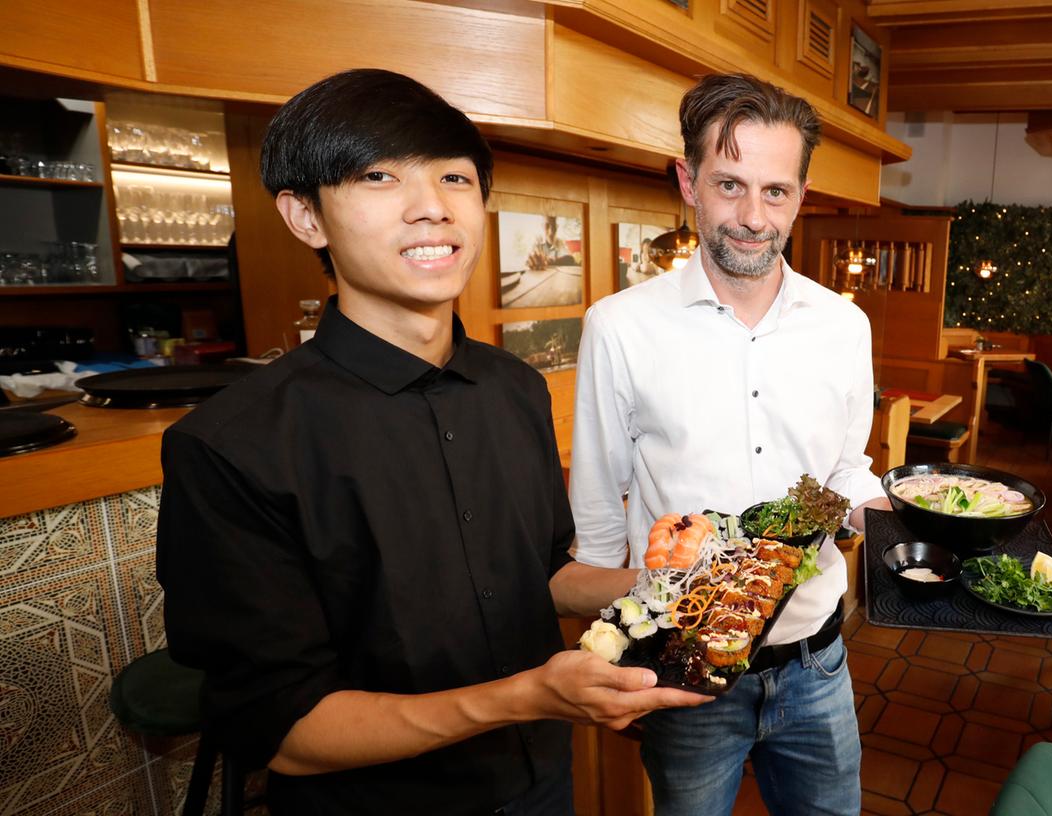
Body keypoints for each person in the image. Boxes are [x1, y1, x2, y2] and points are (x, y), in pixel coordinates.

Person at [156, 69, 707, 816]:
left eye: (454, 177)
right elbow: (282, 731)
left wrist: (675, 589)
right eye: (378, 177)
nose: (431, 209)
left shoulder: (515, 387)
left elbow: (540, 572)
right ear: (305, 216)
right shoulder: (230, 445)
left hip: (540, 781)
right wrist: (525, 696)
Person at [570, 72, 891, 815]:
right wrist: (613, 646)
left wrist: (904, 530)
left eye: (775, 191)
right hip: (685, 669)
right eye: (729, 185)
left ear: (801, 196)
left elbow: (845, 469)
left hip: (818, 660)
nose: (752, 216)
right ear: (688, 182)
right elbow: (596, 502)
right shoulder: (619, 325)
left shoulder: (844, 325)